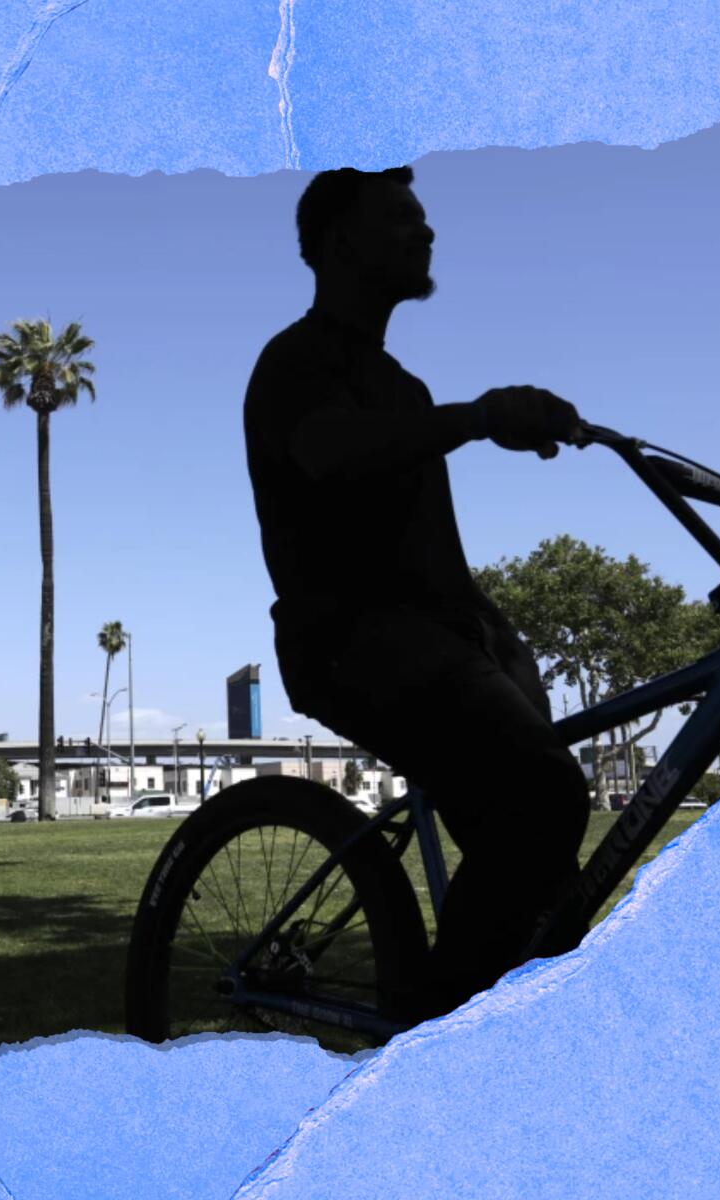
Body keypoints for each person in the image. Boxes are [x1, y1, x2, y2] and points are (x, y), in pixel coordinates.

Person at [243, 166, 591, 1023]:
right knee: (546, 797)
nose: (424, 231)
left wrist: (499, 637)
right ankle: (428, 1037)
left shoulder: (402, 387)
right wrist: (477, 418)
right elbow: (329, 452)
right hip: (352, 642)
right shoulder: (298, 359)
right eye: (401, 217)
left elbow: (435, 557)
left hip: (438, 642)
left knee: (548, 892)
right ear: (337, 242)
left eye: (424, 217)